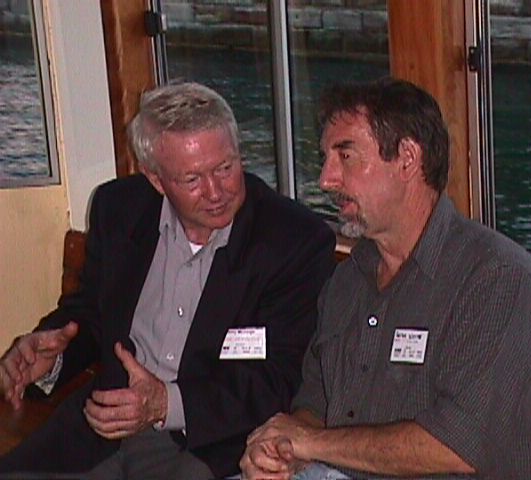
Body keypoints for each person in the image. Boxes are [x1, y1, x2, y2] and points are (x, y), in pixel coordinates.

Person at [0, 82, 336, 479]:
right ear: (156, 179)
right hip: (104, 421)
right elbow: (92, 313)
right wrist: (54, 357)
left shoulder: (293, 239)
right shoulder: (119, 208)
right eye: (192, 180)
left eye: (225, 168)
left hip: (212, 441)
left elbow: (282, 378)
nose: (216, 192)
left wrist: (166, 403)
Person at [240, 78, 531, 480]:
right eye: (326, 159)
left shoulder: (498, 279)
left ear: (407, 159)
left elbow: (459, 445)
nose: (326, 179)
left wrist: (311, 443)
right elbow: (315, 403)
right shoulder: (347, 280)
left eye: (346, 156)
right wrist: (281, 450)